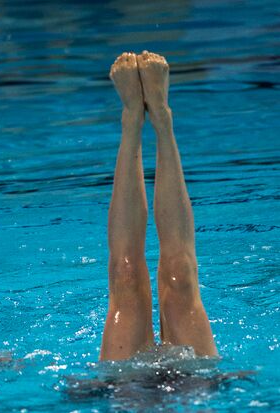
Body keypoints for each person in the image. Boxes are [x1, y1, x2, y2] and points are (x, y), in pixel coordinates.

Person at [100, 51, 218, 360]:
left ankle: (133, 119)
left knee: (129, 278)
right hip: (195, 387)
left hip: (126, 388)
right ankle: (160, 118)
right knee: (180, 275)